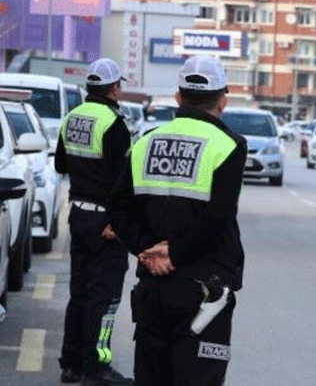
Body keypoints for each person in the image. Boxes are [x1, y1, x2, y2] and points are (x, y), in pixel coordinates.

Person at [108, 55, 246, 386]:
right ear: (223, 100)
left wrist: (147, 249)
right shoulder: (229, 146)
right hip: (203, 292)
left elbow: (118, 206)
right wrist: (175, 255)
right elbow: (218, 217)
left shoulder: (146, 141)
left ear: (178, 97)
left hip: (153, 289)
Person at [55, 59, 133, 385]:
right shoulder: (113, 124)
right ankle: (95, 366)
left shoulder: (71, 118)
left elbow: (61, 164)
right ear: (113, 88)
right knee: (104, 299)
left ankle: (70, 365)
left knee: (80, 293)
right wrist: (118, 222)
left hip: (79, 216)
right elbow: (122, 181)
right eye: (120, 86)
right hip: (106, 223)